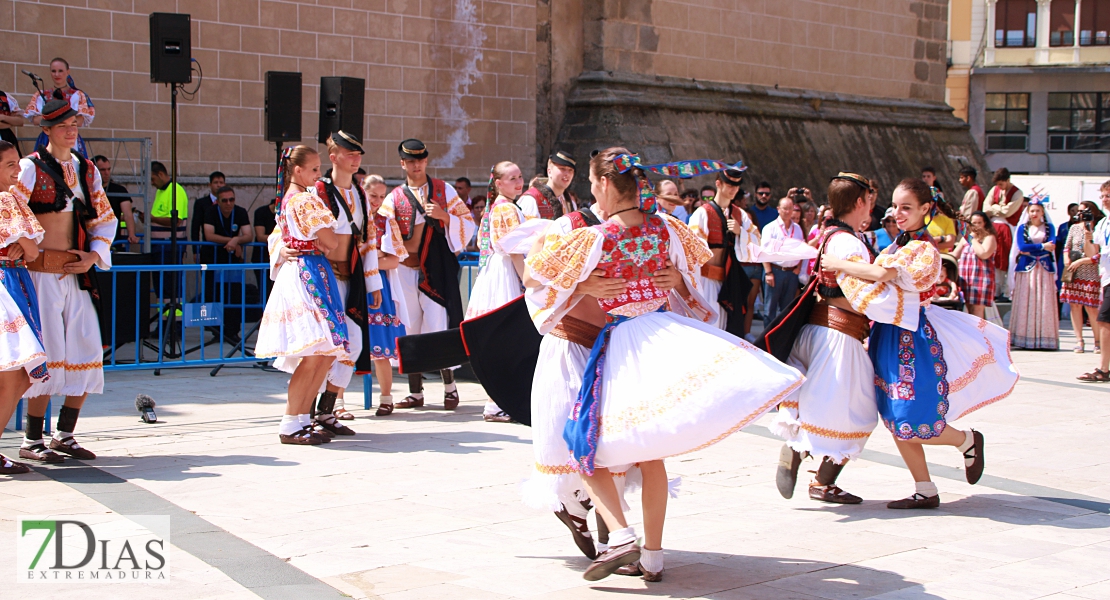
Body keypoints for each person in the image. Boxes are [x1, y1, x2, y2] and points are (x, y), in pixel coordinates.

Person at [525, 147, 803, 581]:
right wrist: (671, 281)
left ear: (600, 184)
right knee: (646, 451)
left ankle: (618, 537)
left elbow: (539, 279)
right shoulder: (660, 229)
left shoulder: (597, 236)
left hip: (615, 346)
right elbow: (699, 273)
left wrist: (586, 282)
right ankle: (647, 555)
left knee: (589, 443)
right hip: (633, 341)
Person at [820, 177, 1018, 509]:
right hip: (889, 334)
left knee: (908, 413)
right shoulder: (896, 245)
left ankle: (966, 440)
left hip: (912, 337)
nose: (897, 213)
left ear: (926, 209)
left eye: (906, 207)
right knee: (894, 415)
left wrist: (837, 264)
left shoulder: (923, 248)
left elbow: (883, 275)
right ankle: (925, 488)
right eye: (895, 206)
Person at [771, 172, 887, 506]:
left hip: (814, 329)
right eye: (870, 201)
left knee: (825, 405)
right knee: (860, 413)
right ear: (860, 202)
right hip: (838, 335)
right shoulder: (850, 243)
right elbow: (861, 293)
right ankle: (815, 471)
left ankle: (805, 458)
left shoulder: (828, 234)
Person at [12, 98, 117, 463]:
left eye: (74, 125)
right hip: (39, 275)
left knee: (87, 349)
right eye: (63, 126)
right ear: (47, 130)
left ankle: (65, 434)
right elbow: (10, 209)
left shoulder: (87, 170)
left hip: (77, 274)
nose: (71, 131)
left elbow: (104, 218)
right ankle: (31, 439)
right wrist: (20, 251)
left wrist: (93, 255)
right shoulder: (29, 168)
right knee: (48, 354)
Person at [275, 132, 383, 434]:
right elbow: (281, 230)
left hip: (348, 278)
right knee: (319, 349)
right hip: (320, 278)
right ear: (334, 157)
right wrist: (281, 250)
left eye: (358, 154)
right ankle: (302, 416)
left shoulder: (360, 194)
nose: (356, 159)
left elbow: (368, 239)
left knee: (350, 344)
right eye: (350, 154)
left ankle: (325, 410)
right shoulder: (315, 191)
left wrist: (372, 284)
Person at [255, 145, 350, 445]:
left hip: (311, 270)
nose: (317, 174)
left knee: (321, 353)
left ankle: (301, 419)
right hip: (307, 275)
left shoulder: (289, 201)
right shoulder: (305, 201)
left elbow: (285, 237)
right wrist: (317, 243)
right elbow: (331, 241)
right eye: (313, 169)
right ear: (297, 170)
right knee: (313, 354)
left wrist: (290, 246)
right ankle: (290, 422)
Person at [382, 139, 475, 410]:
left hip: (434, 270)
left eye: (420, 160)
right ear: (402, 163)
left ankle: (450, 389)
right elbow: (385, 232)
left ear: (426, 161)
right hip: (404, 270)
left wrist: (445, 216)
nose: (416, 165)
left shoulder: (442, 190)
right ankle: (415, 392)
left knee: (437, 325)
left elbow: (467, 222)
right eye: (411, 161)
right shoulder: (394, 198)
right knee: (409, 328)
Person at [0, 139, 48, 475]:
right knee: (15, 373)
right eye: (9, 165)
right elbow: (29, 248)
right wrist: (21, 244)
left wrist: (23, 245)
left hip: (16, 283)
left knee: (19, 376)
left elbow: (30, 250)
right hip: (5, 285)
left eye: (17, 163)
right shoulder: (5, 198)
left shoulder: (14, 196)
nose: (18, 170)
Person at [466, 161, 528, 422]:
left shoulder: (501, 207)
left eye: (520, 176)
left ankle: (497, 402)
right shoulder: (507, 208)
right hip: (505, 272)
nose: (518, 182)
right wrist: (527, 278)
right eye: (511, 178)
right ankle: (496, 404)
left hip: (497, 270)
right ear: (498, 183)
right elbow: (514, 249)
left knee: (504, 338)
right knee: (508, 337)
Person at [687, 168, 759, 333]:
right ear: (718, 184)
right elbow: (692, 250)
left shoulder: (739, 214)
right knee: (708, 328)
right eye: (729, 184)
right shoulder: (703, 213)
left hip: (729, 281)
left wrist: (741, 232)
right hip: (706, 280)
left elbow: (757, 242)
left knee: (729, 328)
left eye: (736, 185)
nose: (733, 188)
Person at [362, 174, 408, 416]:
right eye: (373, 196)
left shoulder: (386, 221)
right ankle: (336, 402)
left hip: (380, 285)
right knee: (345, 345)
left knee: (380, 345)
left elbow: (394, 260)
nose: (377, 201)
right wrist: (376, 255)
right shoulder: (352, 219)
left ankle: (387, 397)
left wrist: (373, 257)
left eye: (381, 197)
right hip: (353, 284)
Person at [1009, 199, 1059, 350]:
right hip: (1027, 269)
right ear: (1028, 212)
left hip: (1044, 269)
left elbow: (1052, 246)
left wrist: (1033, 249)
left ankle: (1045, 338)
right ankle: (1024, 338)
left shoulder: (1049, 228)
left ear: (1043, 212)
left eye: (1037, 210)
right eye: (1032, 211)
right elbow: (1022, 246)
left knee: (1044, 301)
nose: (1035, 213)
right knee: (1026, 300)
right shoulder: (1022, 228)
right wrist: (1043, 246)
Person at [23, 58, 94, 158]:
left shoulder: (77, 95)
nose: (57, 74)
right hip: (47, 138)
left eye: (60, 71)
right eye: (53, 71)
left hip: (69, 137)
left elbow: (80, 120)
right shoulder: (41, 94)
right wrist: (64, 120)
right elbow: (35, 120)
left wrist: (51, 120)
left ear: (67, 72)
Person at [1061, 201, 1106, 353]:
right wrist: (1067, 260)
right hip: (1074, 272)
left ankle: (1097, 340)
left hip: (1091, 272)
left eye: (1084, 211)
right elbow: (1067, 246)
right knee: (1075, 305)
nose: (1081, 214)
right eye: (1079, 211)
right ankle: (1079, 340)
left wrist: (1088, 239)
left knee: (1091, 308)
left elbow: (1098, 254)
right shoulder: (1074, 228)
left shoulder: (1098, 228)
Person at [1077, 181, 1110, 382]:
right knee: (1104, 321)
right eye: (1103, 196)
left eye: (1108, 195)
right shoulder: (1104, 223)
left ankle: (1104, 368)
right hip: (1106, 277)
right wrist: (1088, 237)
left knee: (1104, 320)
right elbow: (1093, 252)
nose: (1104, 199)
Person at [761, 196, 805, 321]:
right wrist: (768, 272)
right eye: (785, 208)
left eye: (790, 208)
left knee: (787, 309)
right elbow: (764, 252)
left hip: (791, 272)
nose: (787, 211)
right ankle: (767, 339)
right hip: (775, 271)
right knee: (770, 309)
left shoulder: (797, 228)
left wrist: (798, 267)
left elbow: (801, 248)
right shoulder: (770, 228)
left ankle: (782, 339)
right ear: (778, 209)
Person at [984, 168, 1023, 297]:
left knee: (1006, 259)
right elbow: (985, 207)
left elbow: (1008, 212)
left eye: (1001, 184)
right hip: (993, 227)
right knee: (994, 258)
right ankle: (994, 289)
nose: (999, 187)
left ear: (1008, 180)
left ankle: (1006, 290)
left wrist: (994, 208)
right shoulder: (994, 190)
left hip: (1008, 228)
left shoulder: (1017, 193)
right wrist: (998, 209)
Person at [957, 211, 997, 319]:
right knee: (969, 309)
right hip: (966, 277)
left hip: (981, 278)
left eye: (979, 223)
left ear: (985, 223)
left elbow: (983, 254)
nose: (976, 225)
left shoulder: (989, 238)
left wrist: (973, 239)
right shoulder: (966, 238)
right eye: (974, 223)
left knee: (977, 310)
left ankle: (979, 335)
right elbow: (955, 254)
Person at [93, 155, 139, 245]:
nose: (106, 173)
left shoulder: (119, 190)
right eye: (102, 170)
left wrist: (131, 234)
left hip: (113, 240)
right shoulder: (88, 190)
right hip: (92, 237)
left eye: (108, 169)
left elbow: (127, 214)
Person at [518, 151, 578, 219]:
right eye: (562, 169)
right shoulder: (531, 200)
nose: (567, 174)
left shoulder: (570, 202)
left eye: (570, 170)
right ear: (549, 172)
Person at [191, 171, 226, 242]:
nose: (219, 185)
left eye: (221, 183)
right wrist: (195, 250)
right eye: (216, 182)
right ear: (210, 185)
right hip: (207, 245)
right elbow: (195, 227)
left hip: (226, 244)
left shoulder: (228, 202)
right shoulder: (201, 203)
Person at [0, 89, 25, 156]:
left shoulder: (5, 96)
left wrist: (3, 117)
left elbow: (20, 121)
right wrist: (9, 124)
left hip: (5, 137)